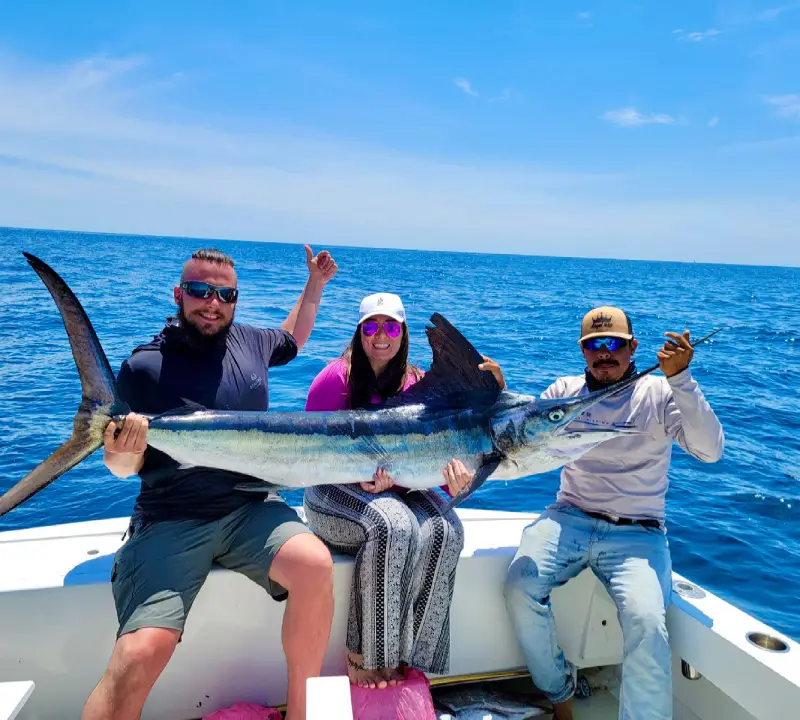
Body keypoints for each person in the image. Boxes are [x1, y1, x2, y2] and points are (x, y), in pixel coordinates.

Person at [81, 245, 339, 720]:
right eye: (200, 291)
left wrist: (315, 285)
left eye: (224, 293)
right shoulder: (145, 366)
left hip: (250, 507)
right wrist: (123, 447)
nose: (212, 302)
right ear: (179, 294)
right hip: (171, 518)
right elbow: (120, 469)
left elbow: (293, 338)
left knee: (315, 565)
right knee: (140, 652)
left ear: (236, 299)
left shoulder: (253, 343)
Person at [503, 306, 725, 720]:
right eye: (594, 346)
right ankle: (560, 694)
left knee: (646, 621)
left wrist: (681, 380)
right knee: (520, 584)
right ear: (583, 351)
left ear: (632, 347)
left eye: (614, 344)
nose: (604, 353)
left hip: (637, 534)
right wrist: (496, 395)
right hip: (568, 517)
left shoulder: (659, 393)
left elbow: (711, 451)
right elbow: (516, 439)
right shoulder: (563, 391)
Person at [302, 292, 506, 689]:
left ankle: (416, 658)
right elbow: (309, 452)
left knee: (446, 528)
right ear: (360, 332)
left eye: (390, 326)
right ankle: (364, 655)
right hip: (329, 493)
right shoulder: (334, 379)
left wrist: (456, 480)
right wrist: (360, 480)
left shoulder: (416, 383)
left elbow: (435, 461)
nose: (381, 336)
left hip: (397, 489)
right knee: (391, 523)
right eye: (372, 327)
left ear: (403, 333)